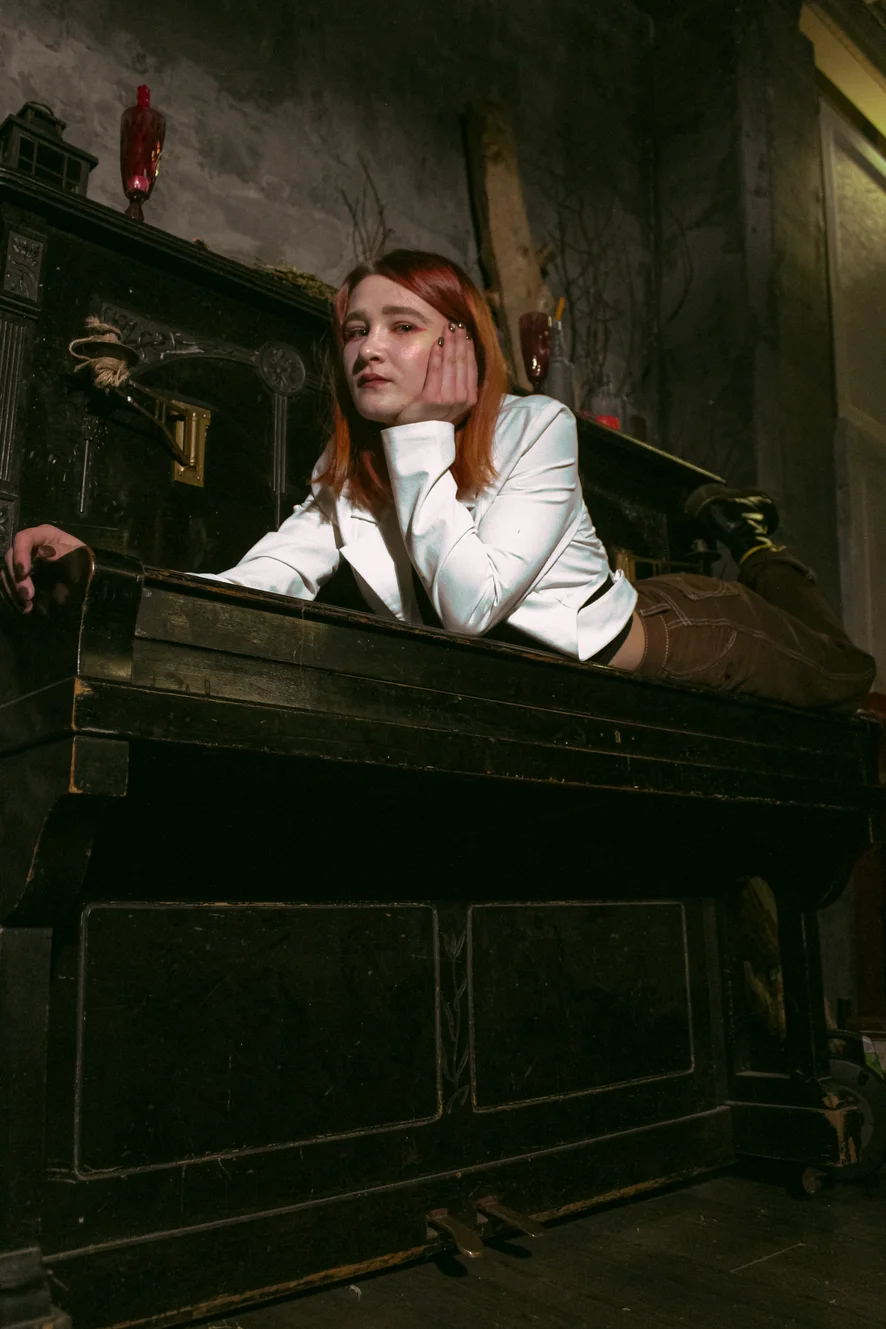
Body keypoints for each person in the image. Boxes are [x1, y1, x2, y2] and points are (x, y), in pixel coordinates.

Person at [2, 249, 876, 713]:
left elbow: (469, 607)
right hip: (554, 687)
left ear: (460, 343)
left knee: (846, 671)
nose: (368, 348)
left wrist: (420, 433)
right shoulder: (347, 473)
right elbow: (253, 584)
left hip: (683, 632)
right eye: (355, 331)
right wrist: (104, 575)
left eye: (402, 326)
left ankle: (756, 545)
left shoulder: (538, 427)